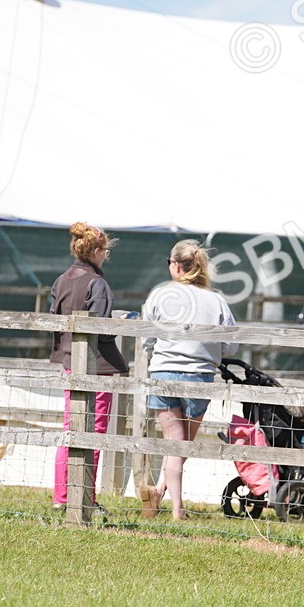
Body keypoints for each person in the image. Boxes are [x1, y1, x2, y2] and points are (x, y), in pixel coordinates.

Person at [139, 240, 239, 520]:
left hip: (163, 373)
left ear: (175, 265)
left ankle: (160, 493)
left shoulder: (160, 295)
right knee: (182, 445)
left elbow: (147, 338)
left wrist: (158, 354)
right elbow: (231, 346)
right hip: (199, 376)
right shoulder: (216, 300)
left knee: (174, 442)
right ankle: (176, 509)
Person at [49, 222, 130, 510]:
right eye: (105, 251)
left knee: (70, 429)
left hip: (70, 362)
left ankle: (62, 498)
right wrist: (119, 324)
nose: (105, 256)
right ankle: (85, 498)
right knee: (93, 434)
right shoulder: (98, 284)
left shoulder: (61, 280)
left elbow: (54, 320)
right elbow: (102, 330)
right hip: (98, 366)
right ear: (96, 251)